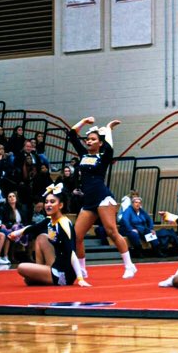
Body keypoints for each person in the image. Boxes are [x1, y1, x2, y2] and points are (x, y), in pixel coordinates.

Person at [67, 117, 137, 279]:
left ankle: (129, 265)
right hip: (89, 201)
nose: (89, 142)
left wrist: (108, 129)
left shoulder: (103, 157)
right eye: (88, 139)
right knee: (77, 236)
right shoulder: (83, 154)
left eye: (93, 140)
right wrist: (84, 121)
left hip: (103, 198)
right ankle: (82, 269)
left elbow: (110, 148)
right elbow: (71, 134)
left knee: (112, 231)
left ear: (99, 143)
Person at [7, 184, 89, 287]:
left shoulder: (64, 224)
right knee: (42, 237)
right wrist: (16, 233)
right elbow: (33, 227)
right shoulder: (50, 220)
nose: (48, 205)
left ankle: (44, 274)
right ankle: (41, 271)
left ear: (60, 205)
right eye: (46, 202)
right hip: (55, 264)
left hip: (64, 274)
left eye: (52, 202)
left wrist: (80, 278)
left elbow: (72, 252)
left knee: (21, 267)